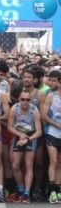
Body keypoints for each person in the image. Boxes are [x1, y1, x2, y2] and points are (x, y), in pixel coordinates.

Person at [7, 89, 42, 203]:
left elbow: (39, 132)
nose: (25, 102)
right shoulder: (14, 108)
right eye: (23, 99)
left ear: (30, 100)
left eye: (28, 99)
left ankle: (26, 194)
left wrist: (27, 139)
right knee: (15, 165)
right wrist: (20, 135)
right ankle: (21, 189)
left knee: (28, 165)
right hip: (19, 135)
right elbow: (9, 127)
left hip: (31, 136)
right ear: (19, 99)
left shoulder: (34, 110)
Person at [41, 72, 61, 203]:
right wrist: (56, 124)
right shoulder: (51, 96)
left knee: (60, 163)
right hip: (52, 132)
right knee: (53, 161)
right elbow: (43, 115)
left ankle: (58, 191)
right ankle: (52, 191)